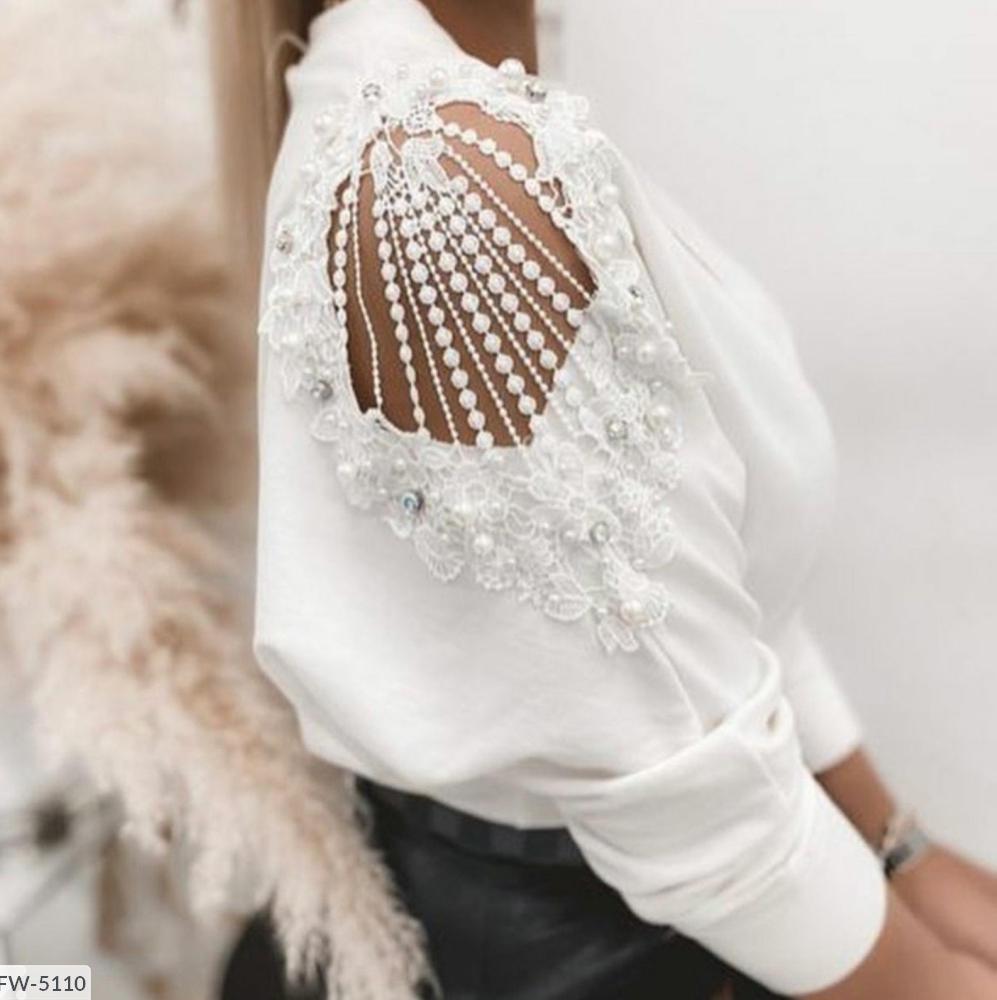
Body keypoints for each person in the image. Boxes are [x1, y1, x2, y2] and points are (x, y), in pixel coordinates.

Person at [209, 1, 997, 997]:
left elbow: (706, 572)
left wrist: (898, 848)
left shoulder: (467, 105)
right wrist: (935, 978)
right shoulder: (435, 169)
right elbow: (694, 788)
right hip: (589, 950)